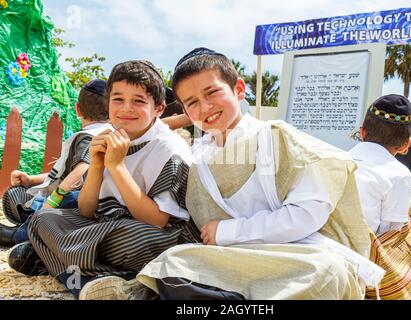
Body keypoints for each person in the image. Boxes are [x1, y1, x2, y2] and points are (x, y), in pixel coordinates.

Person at [92, 47, 384, 300]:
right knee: (173, 260)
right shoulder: (199, 157)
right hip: (234, 256)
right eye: (191, 103)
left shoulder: (278, 138)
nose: (204, 107)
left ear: (239, 89)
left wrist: (229, 231)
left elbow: (309, 213)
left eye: (212, 93)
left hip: (294, 255)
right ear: (184, 109)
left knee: (324, 271)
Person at [7, 60, 200, 300]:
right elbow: (87, 210)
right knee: (42, 219)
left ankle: (61, 264)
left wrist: (117, 167)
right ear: (108, 103)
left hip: (152, 234)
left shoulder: (169, 148)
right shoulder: (104, 138)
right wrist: (97, 166)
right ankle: (95, 278)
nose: (126, 108)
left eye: (138, 101)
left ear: (159, 109)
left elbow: (156, 221)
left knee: (131, 237)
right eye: (118, 99)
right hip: (106, 225)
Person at [349, 94, 411, 299]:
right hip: (364, 265)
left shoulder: (336, 159)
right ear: (406, 144)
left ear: (362, 132)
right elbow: (392, 235)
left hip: (325, 249)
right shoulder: (399, 174)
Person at [0, 79, 111, 247]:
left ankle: (21, 236)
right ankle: (30, 220)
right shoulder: (106, 133)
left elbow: (79, 172)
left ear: (77, 109)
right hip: (101, 199)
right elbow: (64, 174)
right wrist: (31, 179)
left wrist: (52, 201)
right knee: (21, 195)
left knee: (67, 199)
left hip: (85, 200)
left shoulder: (92, 137)